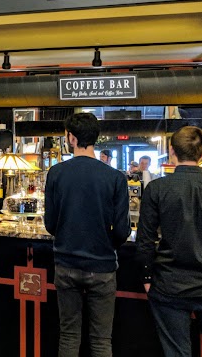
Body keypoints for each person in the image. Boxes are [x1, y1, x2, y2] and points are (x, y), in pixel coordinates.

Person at [136, 126, 202, 357]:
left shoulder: (157, 189)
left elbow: (145, 240)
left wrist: (146, 277)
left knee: (177, 353)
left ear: (172, 152)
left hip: (169, 285)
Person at [44, 113, 130, 357]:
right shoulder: (115, 177)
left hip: (66, 264)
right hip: (102, 266)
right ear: (96, 138)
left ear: (70, 138)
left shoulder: (56, 173)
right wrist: (105, 243)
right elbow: (122, 231)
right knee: (102, 340)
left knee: (69, 336)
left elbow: (50, 225)